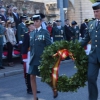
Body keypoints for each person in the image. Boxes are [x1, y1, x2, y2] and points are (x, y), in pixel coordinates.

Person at [29, 14, 51, 100]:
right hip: (33, 59)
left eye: (37, 21)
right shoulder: (32, 33)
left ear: (41, 22)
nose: (35, 23)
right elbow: (31, 46)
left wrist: (48, 57)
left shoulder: (45, 32)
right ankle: (35, 97)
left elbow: (49, 45)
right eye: (34, 21)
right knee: (32, 76)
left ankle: (54, 89)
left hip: (42, 59)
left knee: (46, 78)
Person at [80, 1, 100, 100]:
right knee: (91, 78)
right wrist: (72, 47)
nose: (95, 13)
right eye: (94, 11)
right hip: (93, 57)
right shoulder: (91, 24)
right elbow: (85, 39)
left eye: (97, 11)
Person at [22, 20, 35, 94]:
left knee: (33, 71)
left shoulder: (36, 33)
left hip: (34, 54)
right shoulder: (27, 35)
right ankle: (29, 88)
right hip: (29, 54)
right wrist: (24, 57)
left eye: (33, 25)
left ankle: (34, 88)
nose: (33, 26)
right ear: (29, 27)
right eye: (31, 25)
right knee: (28, 72)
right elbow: (24, 46)